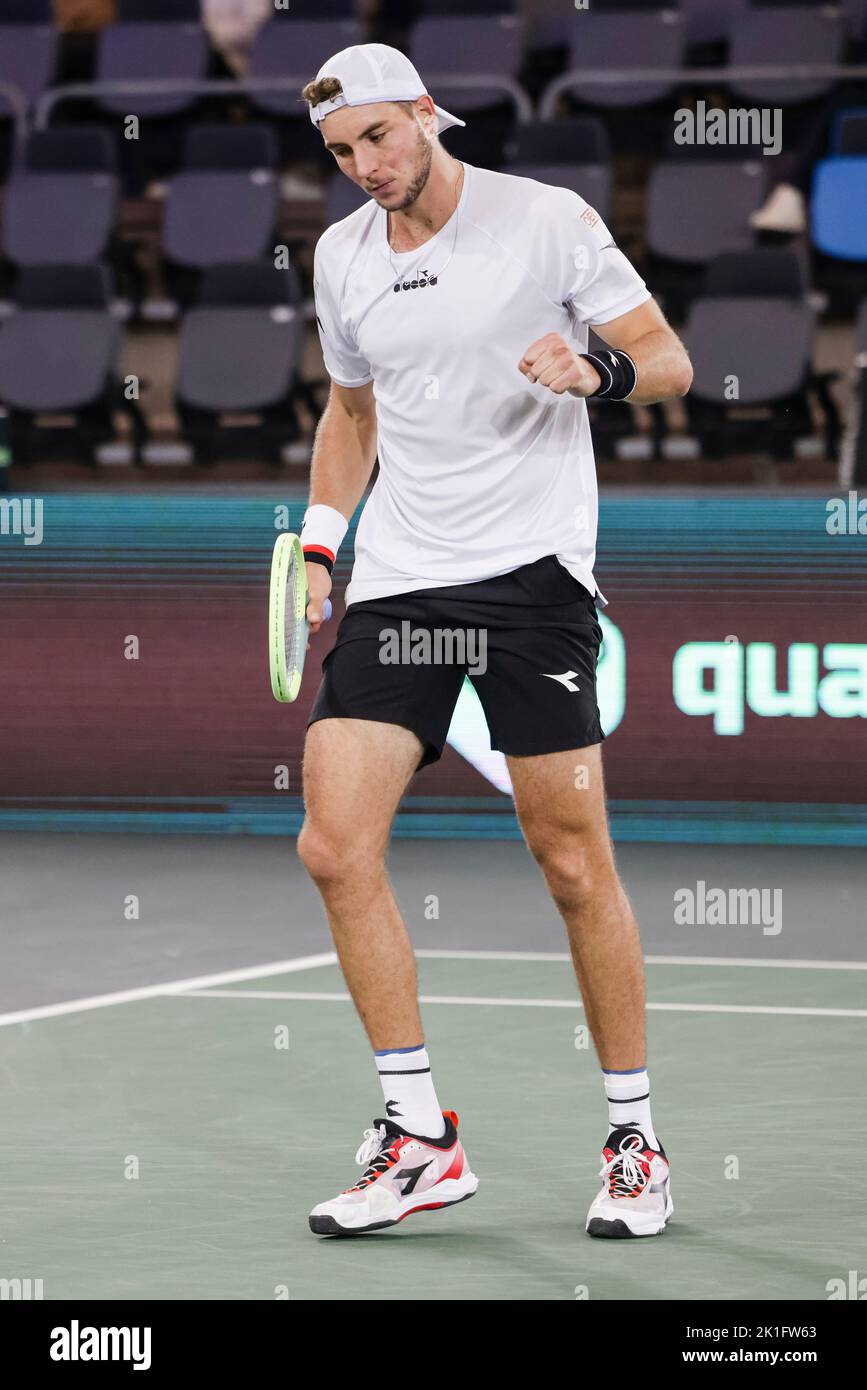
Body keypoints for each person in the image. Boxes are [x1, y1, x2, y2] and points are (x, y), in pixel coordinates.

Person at [296, 43, 692, 1240]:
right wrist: (321, 541)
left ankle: (635, 1139)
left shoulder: (548, 221)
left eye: (377, 137)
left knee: (572, 862)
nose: (364, 166)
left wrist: (597, 367)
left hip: (532, 581)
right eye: (339, 152)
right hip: (406, 580)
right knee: (331, 842)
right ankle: (418, 1135)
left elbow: (671, 361)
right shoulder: (342, 257)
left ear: (427, 114)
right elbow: (353, 411)